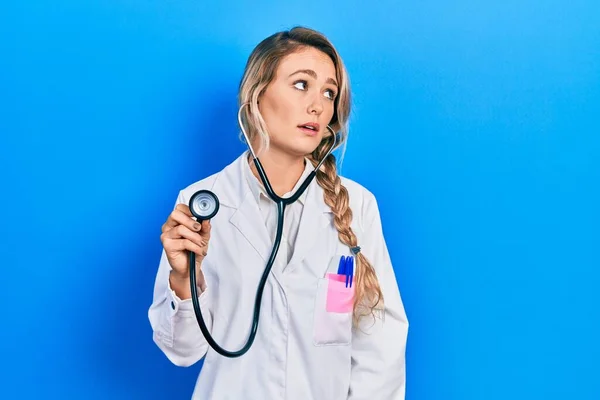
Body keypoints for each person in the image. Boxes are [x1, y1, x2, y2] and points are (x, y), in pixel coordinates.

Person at [148, 26, 409, 400]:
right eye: (302, 84)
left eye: (329, 92)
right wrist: (184, 278)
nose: (318, 104)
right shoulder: (201, 202)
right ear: (256, 95)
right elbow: (182, 351)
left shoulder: (358, 205)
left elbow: (379, 344)